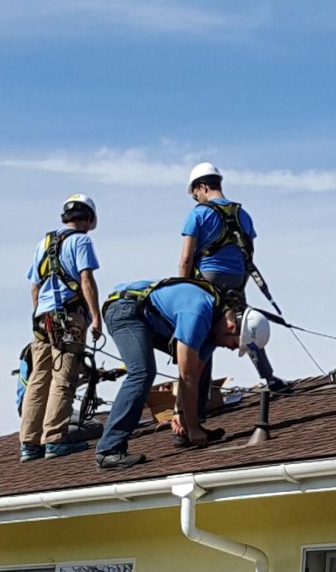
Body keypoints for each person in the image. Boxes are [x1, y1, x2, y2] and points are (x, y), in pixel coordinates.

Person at [94, 278, 271, 469]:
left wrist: (180, 414)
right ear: (231, 328)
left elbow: (192, 374)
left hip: (148, 317)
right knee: (142, 372)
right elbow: (187, 377)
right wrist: (195, 430)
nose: (231, 349)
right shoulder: (197, 314)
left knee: (198, 363)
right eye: (235, 344)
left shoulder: (213, 330)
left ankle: (184, 429)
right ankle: (108, 450)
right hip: (125, 310)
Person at [177, 162, 288, 426]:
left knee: (203, 336)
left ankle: (198, 403)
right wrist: (241, 283)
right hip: (237, 278)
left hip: (208, 278)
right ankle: (269, 377)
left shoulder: (198, 214)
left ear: (202, 187)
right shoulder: (243, 214)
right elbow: (249, 253)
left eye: (196, 193)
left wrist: (181, 291)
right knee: (244, 327)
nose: (196, 198)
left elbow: (185, 258)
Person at [19, 194, 102, 462]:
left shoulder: (43, 243)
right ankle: (54, 438)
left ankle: (29, 443)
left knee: (38, 378)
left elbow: (34, 286)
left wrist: (39, 314)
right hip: (68, 316)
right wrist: (95, 317)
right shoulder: (81, 240)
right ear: (89, 218)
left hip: (41, 318)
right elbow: (86, 280)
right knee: (63, 378)